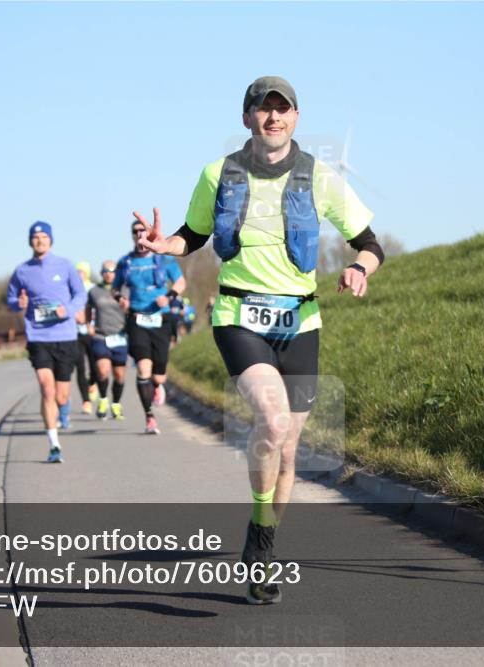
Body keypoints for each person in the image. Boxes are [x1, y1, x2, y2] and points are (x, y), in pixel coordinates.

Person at [134, 76, 384, 604]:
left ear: (296, 118)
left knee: (289, 450)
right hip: (238, 313)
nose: (273, 118)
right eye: (262, 109)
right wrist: (164, 245)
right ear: (246, 117)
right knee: (270, 421)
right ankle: (261, 529)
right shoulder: (217, 174)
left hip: (301, 322)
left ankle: (262, 538)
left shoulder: (320, 177)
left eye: (282, 110)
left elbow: (368, 242)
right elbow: (194, 235)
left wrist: (361, 268)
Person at [7, 221, 87, 463]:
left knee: (61, 396)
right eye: (35, 237)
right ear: (30, 241)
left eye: (43, 236)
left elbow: (80, 294)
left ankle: (64, 408)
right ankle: (54, 444)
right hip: (38, 336)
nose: (39, 240)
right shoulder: (22, 271)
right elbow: (11, 299)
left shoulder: (65, 265)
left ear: (50, 240)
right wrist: (17, 304)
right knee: (47, 389)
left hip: (65, 336)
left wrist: (69, 310)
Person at [112, 219, 187, 434]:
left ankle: (157, 386)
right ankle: (149, 416)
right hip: (137, 319)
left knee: (159, 373)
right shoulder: (125, 262)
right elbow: (115, 288)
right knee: (143, 368)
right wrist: (120, 300)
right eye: (135, 232)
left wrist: (169, 296)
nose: (139, 235)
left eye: (142, 231)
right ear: (132, 236)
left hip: (160, 319)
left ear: (149, 234)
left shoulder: (163, 260)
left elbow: (181, 283)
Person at [86, 260, 129, 421]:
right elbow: (87, 308)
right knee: (103, 371)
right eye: (105, 270)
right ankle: (103, 399)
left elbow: (132, 307)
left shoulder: (125, 289)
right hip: (100, 335)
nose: (109, 273)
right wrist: (87, 324)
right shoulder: (94, 291)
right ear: (101, 272)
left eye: (112, 270)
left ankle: (116, 404)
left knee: (119, 375)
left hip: (119, 336)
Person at [70, 261, 100, 420]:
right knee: (80, 368)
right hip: (75, 333)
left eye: (82, 272)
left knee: (95, 367)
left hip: (92, 332)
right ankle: (86, 401)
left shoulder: (93, 289)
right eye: (77, 272)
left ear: (87, 273)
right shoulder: (70, 289)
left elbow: (99, 309)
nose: (79, 274)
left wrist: (92, 323)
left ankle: (93, 383)